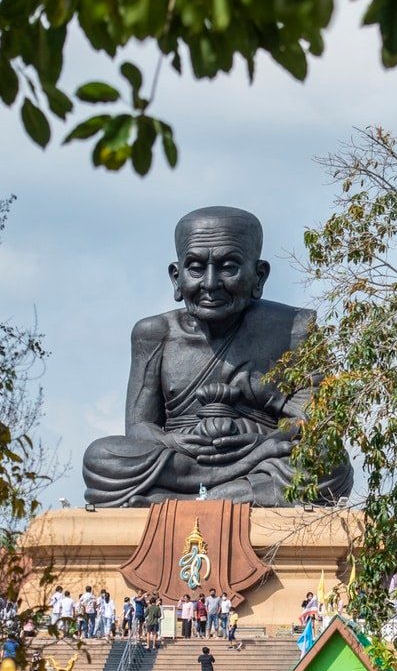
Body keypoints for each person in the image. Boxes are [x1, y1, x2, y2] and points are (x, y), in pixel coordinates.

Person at [80, 206, 354, 506]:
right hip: (183, 459)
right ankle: (222, 497)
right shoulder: (154, 333)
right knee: (101, 457)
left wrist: (260, 442)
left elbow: (315, 425)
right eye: (196, 268)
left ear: (258, 275)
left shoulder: (294, 329)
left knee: (329, 461)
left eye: (228, 267)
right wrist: (175, 441)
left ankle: (180, 501)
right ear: (176, 276)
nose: (210, 284)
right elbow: (137, 428)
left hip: (259, 455)